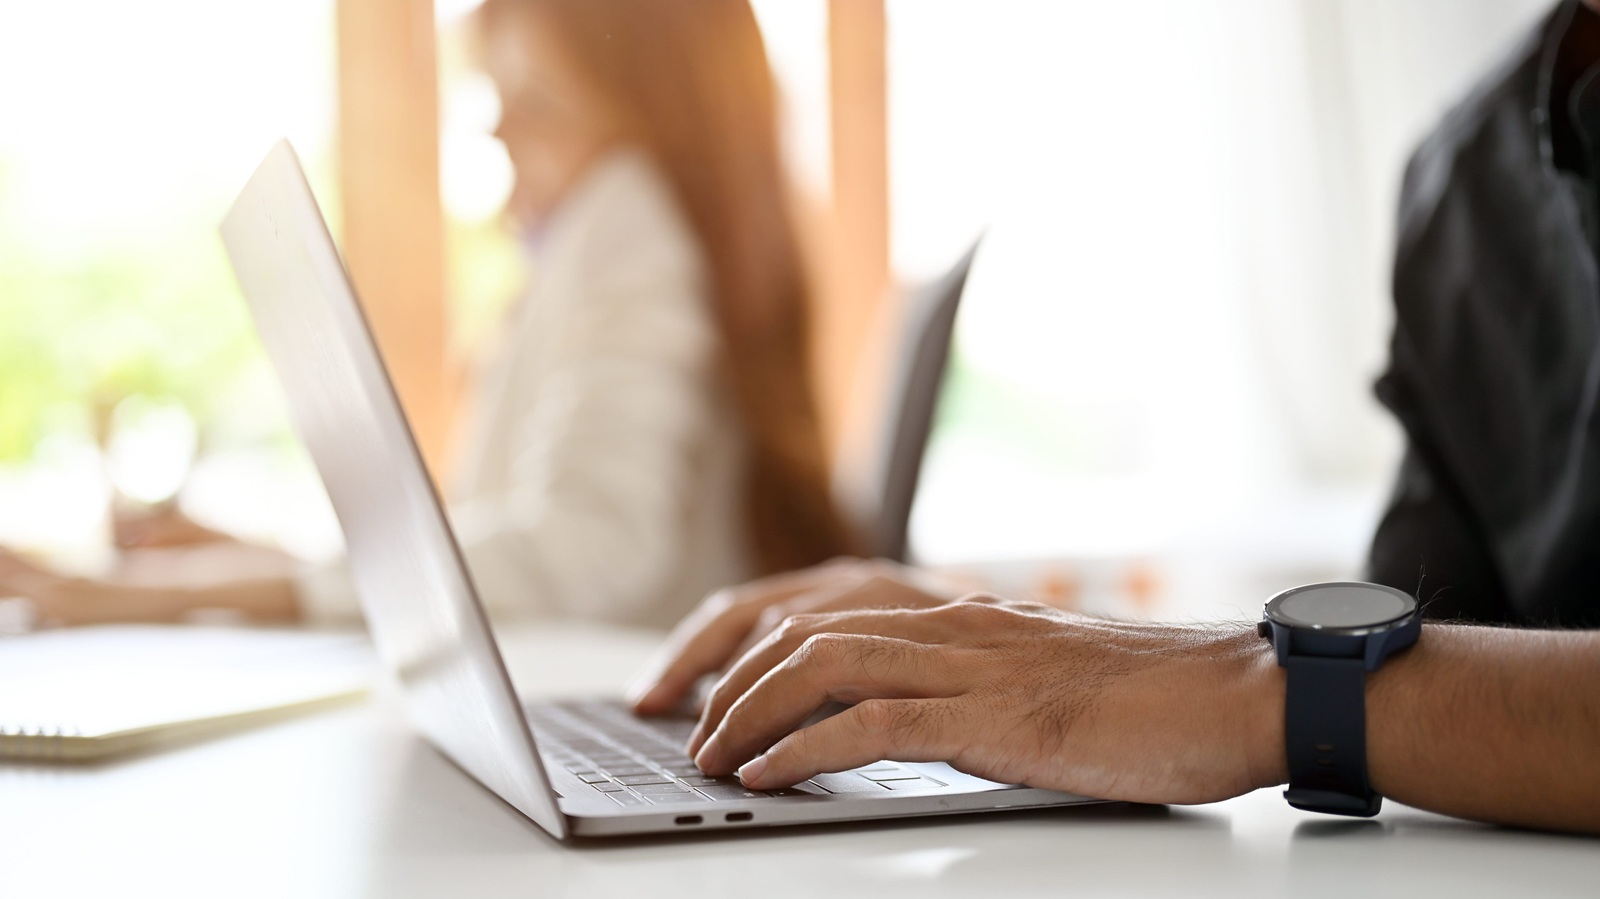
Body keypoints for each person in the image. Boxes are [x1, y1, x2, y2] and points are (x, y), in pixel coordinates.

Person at [625, 0, 1600, 836]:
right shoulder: (1462, 184)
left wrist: (1246, 687)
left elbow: (1342, 688)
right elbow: (1419, 658)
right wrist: (1042, 654)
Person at [0, 0, 855, 629]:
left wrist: (171, 595)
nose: (500, 131)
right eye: (499, 95)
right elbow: (504, 553)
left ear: (660, 108)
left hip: (608, 687)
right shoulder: (623, 236)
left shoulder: (626, 212)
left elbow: (580, 551)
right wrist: (262, 564)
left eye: (540, 102)